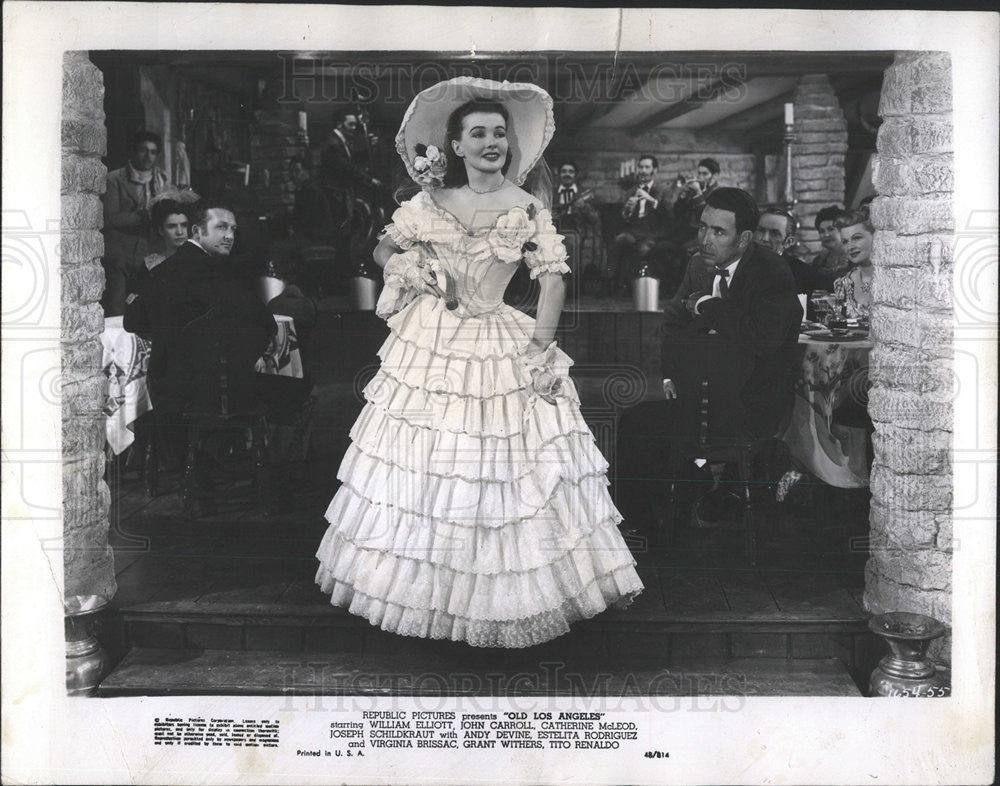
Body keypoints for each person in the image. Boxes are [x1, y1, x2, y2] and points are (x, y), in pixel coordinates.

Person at [314, 77, 644, 648]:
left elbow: (553, 282)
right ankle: (424, 594)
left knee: (498, 469)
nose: (491, 142)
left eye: (499, 133)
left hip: (497, 341)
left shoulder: (526, 206)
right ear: (456, 146)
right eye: (478, 134)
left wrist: (541, 350)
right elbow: (383, 248)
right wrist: (410, 269)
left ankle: (497, 597)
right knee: (423, 466)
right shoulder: (428, 202)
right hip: (429, 343)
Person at [615, 188, 802, 546]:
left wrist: (706, 305)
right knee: (637, 422)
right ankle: (647, 520)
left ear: (745, 238)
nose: (705, 239)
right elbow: (671, 323)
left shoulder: (769, 270)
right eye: (703, 228)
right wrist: (670, 374)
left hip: (751, 405)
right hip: (703, 395)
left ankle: (684, 500)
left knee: (646, 427)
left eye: (719, 232)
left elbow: (762, 340)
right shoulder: (698, 265)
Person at [102, 131, 172, 316]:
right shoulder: (114, 179)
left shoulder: (162, 179)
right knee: (117, 305)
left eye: (153, 152)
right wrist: (143, 216)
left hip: (150, 249)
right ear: (134, 152)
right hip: (120, 252)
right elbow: (109, 218)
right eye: (143, 150)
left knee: (150, 302)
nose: (148, 157)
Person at [611, 155, 672, 294]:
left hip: (652, 233)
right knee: (619, 240)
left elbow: (670, 215)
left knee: (643, 249)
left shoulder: (663, 190)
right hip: (633, 232)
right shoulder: (630, 191)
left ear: (654, 170)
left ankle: (637, 289)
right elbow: (622, 220)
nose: (643, 171)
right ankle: (610, 283)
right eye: (641, 167)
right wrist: (627, 210)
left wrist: (652, 200)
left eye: (647, 167)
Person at [551, 160, 604, 297]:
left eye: (570, 172)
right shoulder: (552, 194)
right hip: (552, 230)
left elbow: (594, 219)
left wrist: (584, 207)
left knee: (570, 241)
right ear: (559, 174)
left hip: (575, 230)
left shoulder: (583, 194)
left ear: (575, 175)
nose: (567, 174)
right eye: (564, 171)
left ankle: (570, 288)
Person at [754, 208, 836, 295]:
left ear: (788, 242)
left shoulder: (802, 274)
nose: (764, 239)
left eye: (774, 233)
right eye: (761, 231)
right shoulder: (741, 264)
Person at [833, 207, 875, 319]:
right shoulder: (844, 283)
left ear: (875, 237)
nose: (850, 247)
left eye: (856, 238)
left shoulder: (894, 279)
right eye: (845, 242)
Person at [669, 157, 720, 246]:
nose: (700, 177)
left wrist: (698, 193)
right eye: (699, 173)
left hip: (704, 233)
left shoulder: (718, 192)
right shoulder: (695, 189)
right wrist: (683, 195)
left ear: (715, 175)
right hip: (687, 230)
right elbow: (676, 212)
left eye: (705, 174)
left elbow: (708, 217)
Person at [810, 205, 850, 279]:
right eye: (821, 231)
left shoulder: (854, 259)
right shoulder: (818, 262)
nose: (826, 235)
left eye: (831, 229)